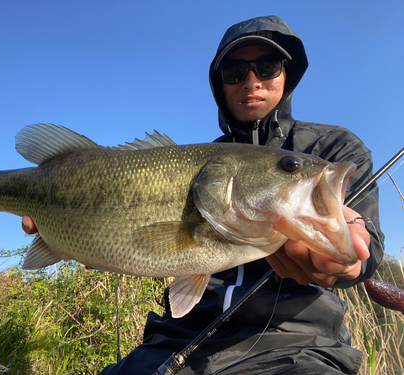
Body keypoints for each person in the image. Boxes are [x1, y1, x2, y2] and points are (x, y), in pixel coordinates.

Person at [23, 16, 384, 374]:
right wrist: (70, 235)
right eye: (235, 72)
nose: (252, 81)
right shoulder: (196, 159)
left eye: (267, 66)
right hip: (178, 339)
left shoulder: (333, 148)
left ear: (287, 75)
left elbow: (366, 246)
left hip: (297, 344)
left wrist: (352, 257)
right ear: (219, 85)